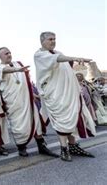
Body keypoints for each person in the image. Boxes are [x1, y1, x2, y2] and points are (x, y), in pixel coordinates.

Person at [34, 31, 96, 161]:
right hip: (55, 94)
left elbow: (64, 64)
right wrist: (75, 58)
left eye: (54, 39)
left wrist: (73, 60)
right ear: (42, 41)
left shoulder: (58, 52)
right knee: (62, 120)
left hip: (68, 93)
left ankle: (73, 146)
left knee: (72, 118)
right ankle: (64, 148)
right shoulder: (39, 54)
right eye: (50, 39)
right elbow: (58, 60)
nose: (53, 41)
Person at [0, 47, 57, 157]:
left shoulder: (18, 63)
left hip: (28, 100)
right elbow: (5, 71)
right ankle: (21, 147)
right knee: (18, 125)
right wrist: (16, 70)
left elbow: (25, 83)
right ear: (0, 56)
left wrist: (32, 94)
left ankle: (42, 147)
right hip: (14, 102)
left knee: (36, 122)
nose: (9, 55)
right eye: (5, 54)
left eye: (9, 52)